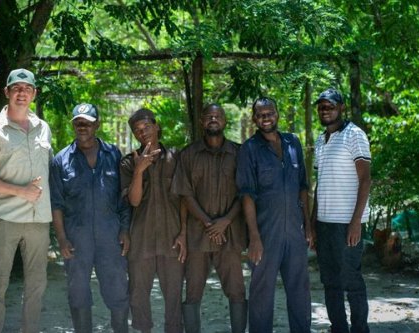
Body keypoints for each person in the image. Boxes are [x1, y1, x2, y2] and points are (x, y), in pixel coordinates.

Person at [0, 68, 52, 333]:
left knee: (37, 285)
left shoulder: (44, 128)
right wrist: (21, 191)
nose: (21, 93)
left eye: (27, 89)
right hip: (5, 218)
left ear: (34, 94)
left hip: (38, 219)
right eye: (16, 88)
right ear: (6, 92)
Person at [49, 103, 130, 332]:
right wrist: (62, 239)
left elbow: (123, 197)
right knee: (78, 292)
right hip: (76, 240)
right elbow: (56, 204)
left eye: (87, 122)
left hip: (111, 238)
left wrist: (124, 229)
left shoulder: (113, 154)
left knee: (117, 290)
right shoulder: (60, 160)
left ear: (97, 124)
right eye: (78, 122)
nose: (82, 126)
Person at [236, 97, 312, 333]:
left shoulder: (293, 143)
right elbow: (246, 194)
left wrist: (308, 226)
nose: (265, 118)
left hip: (295, 232)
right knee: (261, 293)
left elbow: (302, 187)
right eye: (260, 114)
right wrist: (254, 237)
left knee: (300, 291)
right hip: (266, 233)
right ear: (254, 119)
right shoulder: (249, 149)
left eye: (270, 113)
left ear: (277, 114)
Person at [172, 103, 247, 333]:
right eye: (208, 116)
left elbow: (246, 192)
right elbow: (185, 193)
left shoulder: (240, 153)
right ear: (202, 122)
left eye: (218, 116)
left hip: (230, 235)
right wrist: (207, 222)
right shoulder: (188, 154)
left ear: (225, 121)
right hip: (197, 237)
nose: (213, 119)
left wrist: (224, 222)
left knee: (237, 291)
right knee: (192, 292)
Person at [120, 108, 186, 333]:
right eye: (137, 131)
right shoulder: (129, 163)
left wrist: (184, 233)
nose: (143, 133)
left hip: (172, 239)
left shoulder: (176, 157)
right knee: (138, 295)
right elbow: (134, 201)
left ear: (157, 126)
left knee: (174, 295)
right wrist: (139, 171)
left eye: (146, 127)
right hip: (142, 241)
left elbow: (185, 199)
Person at [311, 88, 372, 333]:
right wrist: (313, 223)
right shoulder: (320, 139)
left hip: (347, 223)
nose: (325, 110)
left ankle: (360, 329)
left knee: (351, 280)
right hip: (324, 224)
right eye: (321, 107)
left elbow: (365, 179)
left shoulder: (354, 135)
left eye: (330, 106)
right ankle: (338, 328)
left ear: (341, 108)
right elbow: (320, 184)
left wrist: (356, 222)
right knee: (329, 281)